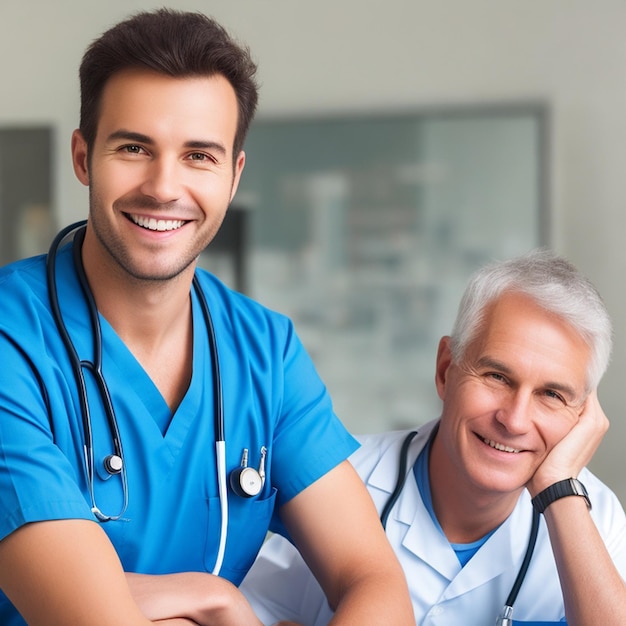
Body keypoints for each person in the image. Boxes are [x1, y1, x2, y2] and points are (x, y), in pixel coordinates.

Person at [0, 9, 415, 626]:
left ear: (233, 175)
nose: (165, 187)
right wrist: (216, 597)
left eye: (199, 155)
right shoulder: (13, 337)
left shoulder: (264, 350)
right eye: (135, 148)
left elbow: (375, 581)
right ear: (83, 157)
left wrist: (213, 603)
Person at [240, 249, 626, 625]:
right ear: (446, 370)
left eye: (552, 396)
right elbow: (243, 613)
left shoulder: (593, 518)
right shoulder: (335, 483)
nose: (514, 420)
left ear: (583, 416)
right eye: (497, 377)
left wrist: (560, 494)